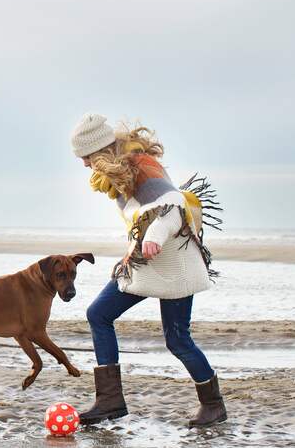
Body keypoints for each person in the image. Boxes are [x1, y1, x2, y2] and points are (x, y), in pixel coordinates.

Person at [70, 113, 226, 428]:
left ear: (100, 150)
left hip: (174, 263)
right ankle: (110, 401)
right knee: (98, 314)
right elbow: (145, 213)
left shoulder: (142, 164)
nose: (85, 164)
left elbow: (173, 205)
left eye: (86, 157)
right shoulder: (120, 173)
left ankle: (213, 405)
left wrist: (153, 238)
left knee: (178, 340)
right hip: (144, 263)